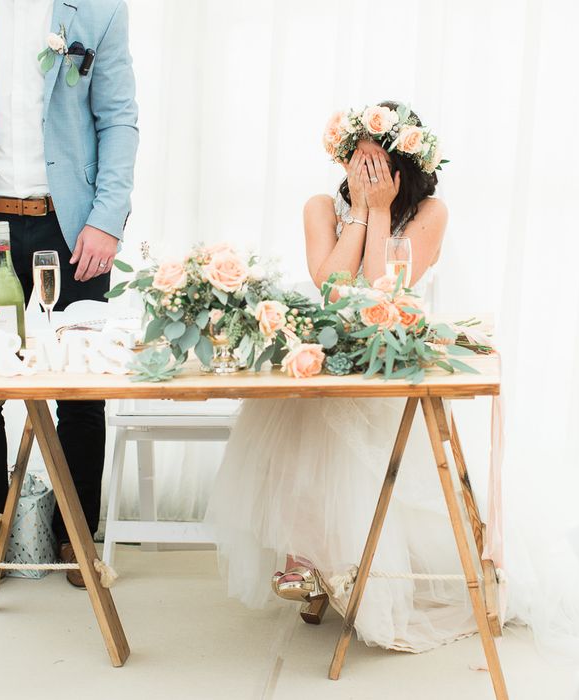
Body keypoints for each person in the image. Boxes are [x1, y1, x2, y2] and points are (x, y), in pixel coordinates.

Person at [205, 101, 478, 651]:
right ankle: (310, 558)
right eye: (358, 163)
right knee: (302, 398)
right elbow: (331, 284)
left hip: (391, 354)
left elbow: (383, 286)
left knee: (338, 410)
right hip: (327, 347)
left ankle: (340, 565)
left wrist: (381, 213)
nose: (365, 174)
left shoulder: (430, 214)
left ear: (405, 168)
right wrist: (358, 209)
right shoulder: (321, 207)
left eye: (377, 166)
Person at [0, 0, 138, 600]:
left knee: (80, 389)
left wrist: (107, 220)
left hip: (70, 227)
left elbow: (119, 117)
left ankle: (75, 536)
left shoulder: (98, 9)